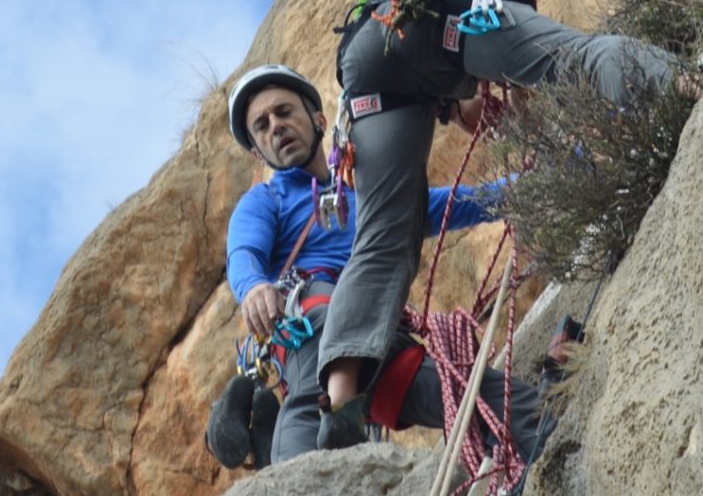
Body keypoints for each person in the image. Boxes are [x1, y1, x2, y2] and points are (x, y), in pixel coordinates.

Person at [314, 0, 701, 449]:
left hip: (372, 61)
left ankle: (343, 399)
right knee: (575, 57)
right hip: (442, 11)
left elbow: (438, 72)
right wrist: (509, 64)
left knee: (389, 227)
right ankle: (688, 89)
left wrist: (472, 94)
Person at [214, 63, 517, 467]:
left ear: (319, 120)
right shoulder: (267, 202)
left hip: (378, 342)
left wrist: (542, 182)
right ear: (257, 151)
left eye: (284, 112)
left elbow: (466, 202)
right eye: (262, 125)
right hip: (314, 326)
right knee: (311, 403)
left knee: (490, 400)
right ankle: (293, 486)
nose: (276, 126)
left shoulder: (374, 196)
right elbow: (244, 254)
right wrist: (253, 286)